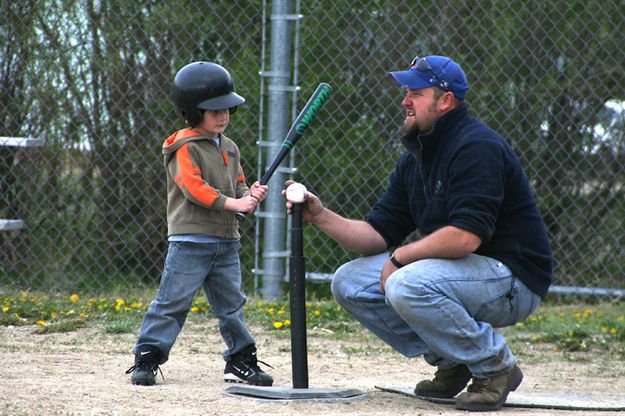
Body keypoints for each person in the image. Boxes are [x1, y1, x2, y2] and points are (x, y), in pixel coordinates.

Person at [284, 55, 552, 412]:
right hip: (464, 273)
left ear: (445, 100)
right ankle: (451, 361)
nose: (404, 101)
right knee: (349, 282)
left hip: (512, 279)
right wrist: (320, 215)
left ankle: (495, 367)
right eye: (405, 91)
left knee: (406, 282)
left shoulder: (475, 146)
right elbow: (376, 234)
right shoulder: (416, 157)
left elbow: (464, 237)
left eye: (415, 92)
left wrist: (400, 258)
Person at [126, 61, 273, 387]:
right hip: (190, 242)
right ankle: (148, 356)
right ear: (192, 112)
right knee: (172, 302)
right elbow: (194, 189)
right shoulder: (183, 147)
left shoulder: (229, 147)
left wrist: (250, 194)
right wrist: (234, 203)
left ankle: (240, 358)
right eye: (214, 110)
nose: (223, 116)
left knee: (232, 305)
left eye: (227, 109)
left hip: (226, 243)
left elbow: (238, 186)